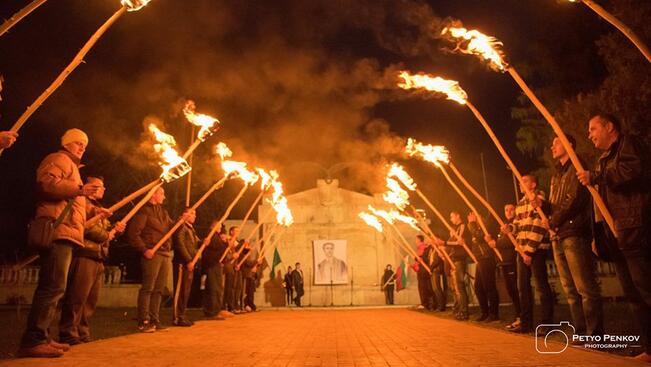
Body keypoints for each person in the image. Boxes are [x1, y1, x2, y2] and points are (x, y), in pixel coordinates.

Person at [18, 128, 102, 358]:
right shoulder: (58, 159)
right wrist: (79, 189)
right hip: (57, 232)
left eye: (84, 145)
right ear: (66, 143)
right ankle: (33, 339)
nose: (82, 148)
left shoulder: (73, 168)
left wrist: (94, 209)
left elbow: (75, 204)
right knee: (52, 287)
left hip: (68, 234)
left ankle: (43, 336)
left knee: (57, 287)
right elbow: (46, 184)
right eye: (77, 143)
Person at [577, 114, 650, 361]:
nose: (589, 134)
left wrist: (596, 176)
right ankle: (650, 348)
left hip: (635, 229)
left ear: (610, 127)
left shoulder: (628, 144)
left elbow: (632, 171)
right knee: (633, 295)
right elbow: (600, 205)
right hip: (618, 236)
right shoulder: (603, 160)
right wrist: (599, 236)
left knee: (646, 289)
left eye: (593, 128)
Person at [545, 135, 603, 338]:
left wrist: (553, 221)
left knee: (584, 287)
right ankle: (580, 331)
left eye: (556, 142)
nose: (552, 146)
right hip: (559, 234)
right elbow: (555, 204)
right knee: (569, 289)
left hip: (574, 232)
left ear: (569, 144)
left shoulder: (577, 165)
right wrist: (542, 205)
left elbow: (575, 199)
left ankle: (595, 334)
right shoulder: (557, 175)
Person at [59, 175, 125, 345]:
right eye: (99, 186)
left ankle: (82, 332)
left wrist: (114, 230)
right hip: (84, 255)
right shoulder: (81, 204)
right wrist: (106, 235)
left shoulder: (98, 208)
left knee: (90, 300)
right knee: (77, 297)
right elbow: (86, 229)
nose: (103, 189)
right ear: (90, 187)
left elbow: (104, 232)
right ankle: (68, 332)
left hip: (98, 257)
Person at [502, 175, 554, 333]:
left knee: (541, 286)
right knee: (522, 287)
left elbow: (538, 227)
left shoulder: (539, 200)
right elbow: (518, 226)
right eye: (520, 182)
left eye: (524, 181)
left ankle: (547, 323)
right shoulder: (520, 204)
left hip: (536, 250)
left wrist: (529, 252)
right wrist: (510, 229)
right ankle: (526, 322)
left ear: (533, 184)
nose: (520, 183)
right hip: (522, 251)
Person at [126, 186, 173, 333]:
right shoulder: (144, 211)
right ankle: (143, 320)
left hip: (164, 253)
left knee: (159, 289)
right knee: (148, 288)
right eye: (162, 194)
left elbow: (172, 227)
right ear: (153, 195)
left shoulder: (163, 212)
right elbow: (133, 233)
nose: (164, 197)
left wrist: (182, 220)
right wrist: (144, 249)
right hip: (152, 253)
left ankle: (154, 319)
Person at [487, 204, 521, 329]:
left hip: (513, 260)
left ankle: (521, 317)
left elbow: (510, 241)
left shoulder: (515, 224)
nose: (508, 212)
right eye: (506, 210)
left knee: (516, 290)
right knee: (510, 290)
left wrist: (496, 243)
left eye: (511, 209)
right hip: (504, 262)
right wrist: (492, 242)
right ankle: (517, 315)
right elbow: (500, 240)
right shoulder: (504, 225)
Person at [435, 211, 472, 320]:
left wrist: (444, 243)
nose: (451, 219)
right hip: (453, 260)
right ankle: (459, 310)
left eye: (452, 217)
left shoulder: (462, 226)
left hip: (459, 260)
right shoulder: (455, 229)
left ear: (458, 215)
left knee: (459, 287)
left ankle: (464, 312)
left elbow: (460, 243)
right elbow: (450, 245)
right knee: (456, 288)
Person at [467, 212, 499, 322]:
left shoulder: (486, 227)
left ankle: (494, 313)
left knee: (489, 286)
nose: (472, 217)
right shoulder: (478, 227)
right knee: (478, 288)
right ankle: (484, 312)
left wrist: (471, 224)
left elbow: (480, 236)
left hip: (487, 258)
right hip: (480, 259)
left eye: (474, 215)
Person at [172, 208, 200, 326]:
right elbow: (180, 243)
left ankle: (182, 315)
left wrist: (204, 242)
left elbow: (196, 243)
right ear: (185, 214)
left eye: (195, 214)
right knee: (180, 290)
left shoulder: (190, 229)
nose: (194, 216)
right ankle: (177, 317)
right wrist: (188, 260)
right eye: (192, 213)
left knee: (186, 291)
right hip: (182, 263)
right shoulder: (181, 226)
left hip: (190, 263)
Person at [202, 225, 232, 320]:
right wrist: (226, 243)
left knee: (218, 288)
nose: (221, 227)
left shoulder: (216, 236)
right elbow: (217, 246)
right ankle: (212, 312)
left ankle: (216, 310)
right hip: (212, 264)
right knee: (213, 289)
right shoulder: (211, 235)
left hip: (216, 264)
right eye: (219, 225)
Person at [412, 235, 434, 310]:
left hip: (424, 269)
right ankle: (425, 303)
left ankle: (426, 303)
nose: (415, 241)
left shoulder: (423, 247)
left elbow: (421, 258)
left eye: (416, 239)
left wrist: (416, 258)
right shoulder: (421, 247)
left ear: (419, 239)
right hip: (420, 269)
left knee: (423, 287)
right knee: (422, 287)